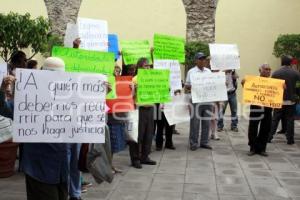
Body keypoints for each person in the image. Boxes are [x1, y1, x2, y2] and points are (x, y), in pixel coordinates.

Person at [21, 57, 69, 200]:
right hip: (39, 167)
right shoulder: (28, 95)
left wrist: (98, 96)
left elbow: (87, 117)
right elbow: (6, 110)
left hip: (61, 166)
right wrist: (3, 91)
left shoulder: (68, 96)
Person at [128, 57, 156, 168]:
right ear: (140, 67)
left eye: (149, 65)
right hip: (138, 109)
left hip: (150, 109)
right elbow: (129, 97)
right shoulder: (134, 79)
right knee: (137, 135)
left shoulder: (153, 78)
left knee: (148, 135)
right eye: (146, 65)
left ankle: (145, 157)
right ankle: (135, 159)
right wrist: (134, 90)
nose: (148, 67)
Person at [268, 55, 300, 145]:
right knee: (290, 120)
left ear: (282, 62)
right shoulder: (296, 73)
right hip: (291, 100)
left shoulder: (276, 73)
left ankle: (269, 137)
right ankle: (290, 139)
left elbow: (271, 87)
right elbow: (298, 87)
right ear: (290, 62)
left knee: (275, 119)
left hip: (279, 100)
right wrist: (297, 95)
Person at [242, 64, 272, 156]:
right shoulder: (254, 80)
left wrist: (283, 88)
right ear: (260, 70)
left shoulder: (273, 82)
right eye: (266, 69)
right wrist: (243, 83)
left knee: (266, 128)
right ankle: (253, 147)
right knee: (253, 127)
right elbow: (247, 88)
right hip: (256, 108)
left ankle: (262, 148)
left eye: (269, 69)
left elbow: (278, 93)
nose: (268, 71)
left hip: (268, 108)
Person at [185, 52, 213, 151]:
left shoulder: (209, 72)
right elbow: (187, 86)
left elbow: (212, 85)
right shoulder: (191, 72)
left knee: (207, 122)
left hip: (207, 100)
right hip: (195, 100)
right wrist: (194, 86)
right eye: (200, 59)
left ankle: (204, 142)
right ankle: (193, 143)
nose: (203, 61)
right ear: (196, 61)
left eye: (204, 59)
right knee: (195, 123)